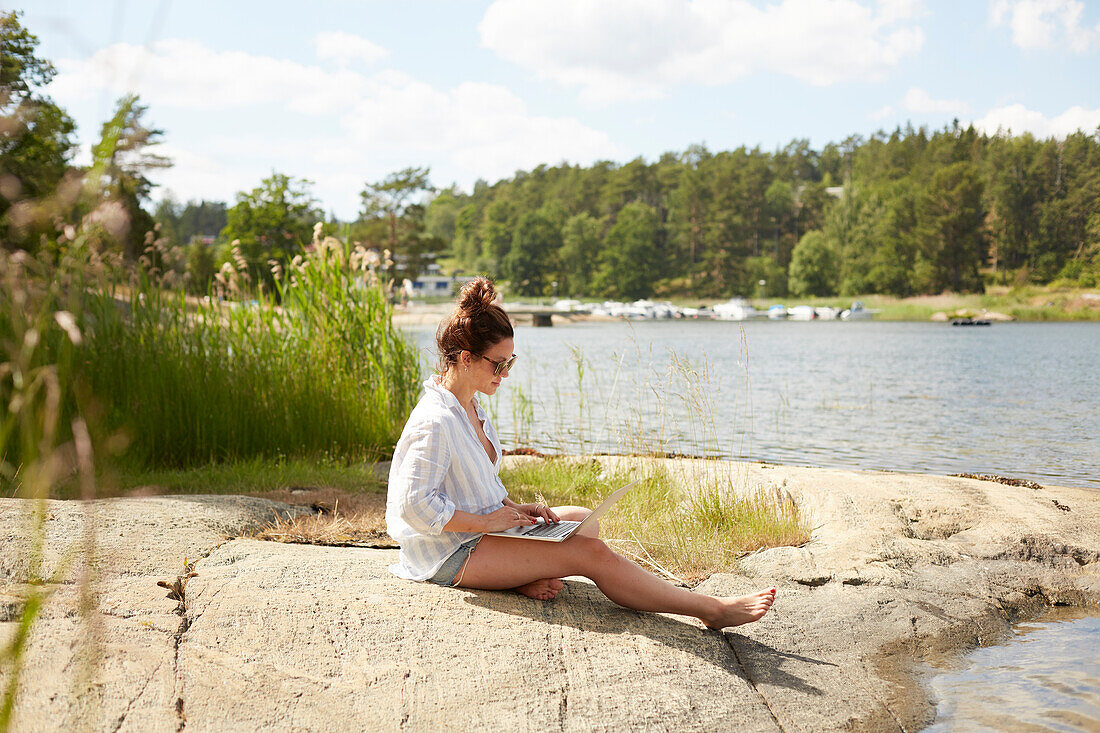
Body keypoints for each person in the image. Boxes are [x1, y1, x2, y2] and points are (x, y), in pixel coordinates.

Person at [385, 277, 776, 629]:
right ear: (466, 358)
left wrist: (516, 508)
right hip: (451, 552)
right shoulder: (435, 420)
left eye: (511, 362)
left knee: (583, 521)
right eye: (498, 364)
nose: (505, 374)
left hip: (483, 531)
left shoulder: (470, 405)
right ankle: (710, 609)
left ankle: (518, 576)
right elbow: (415, 508)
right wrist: (491, 522)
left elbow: (474, 483)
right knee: (590, 552)